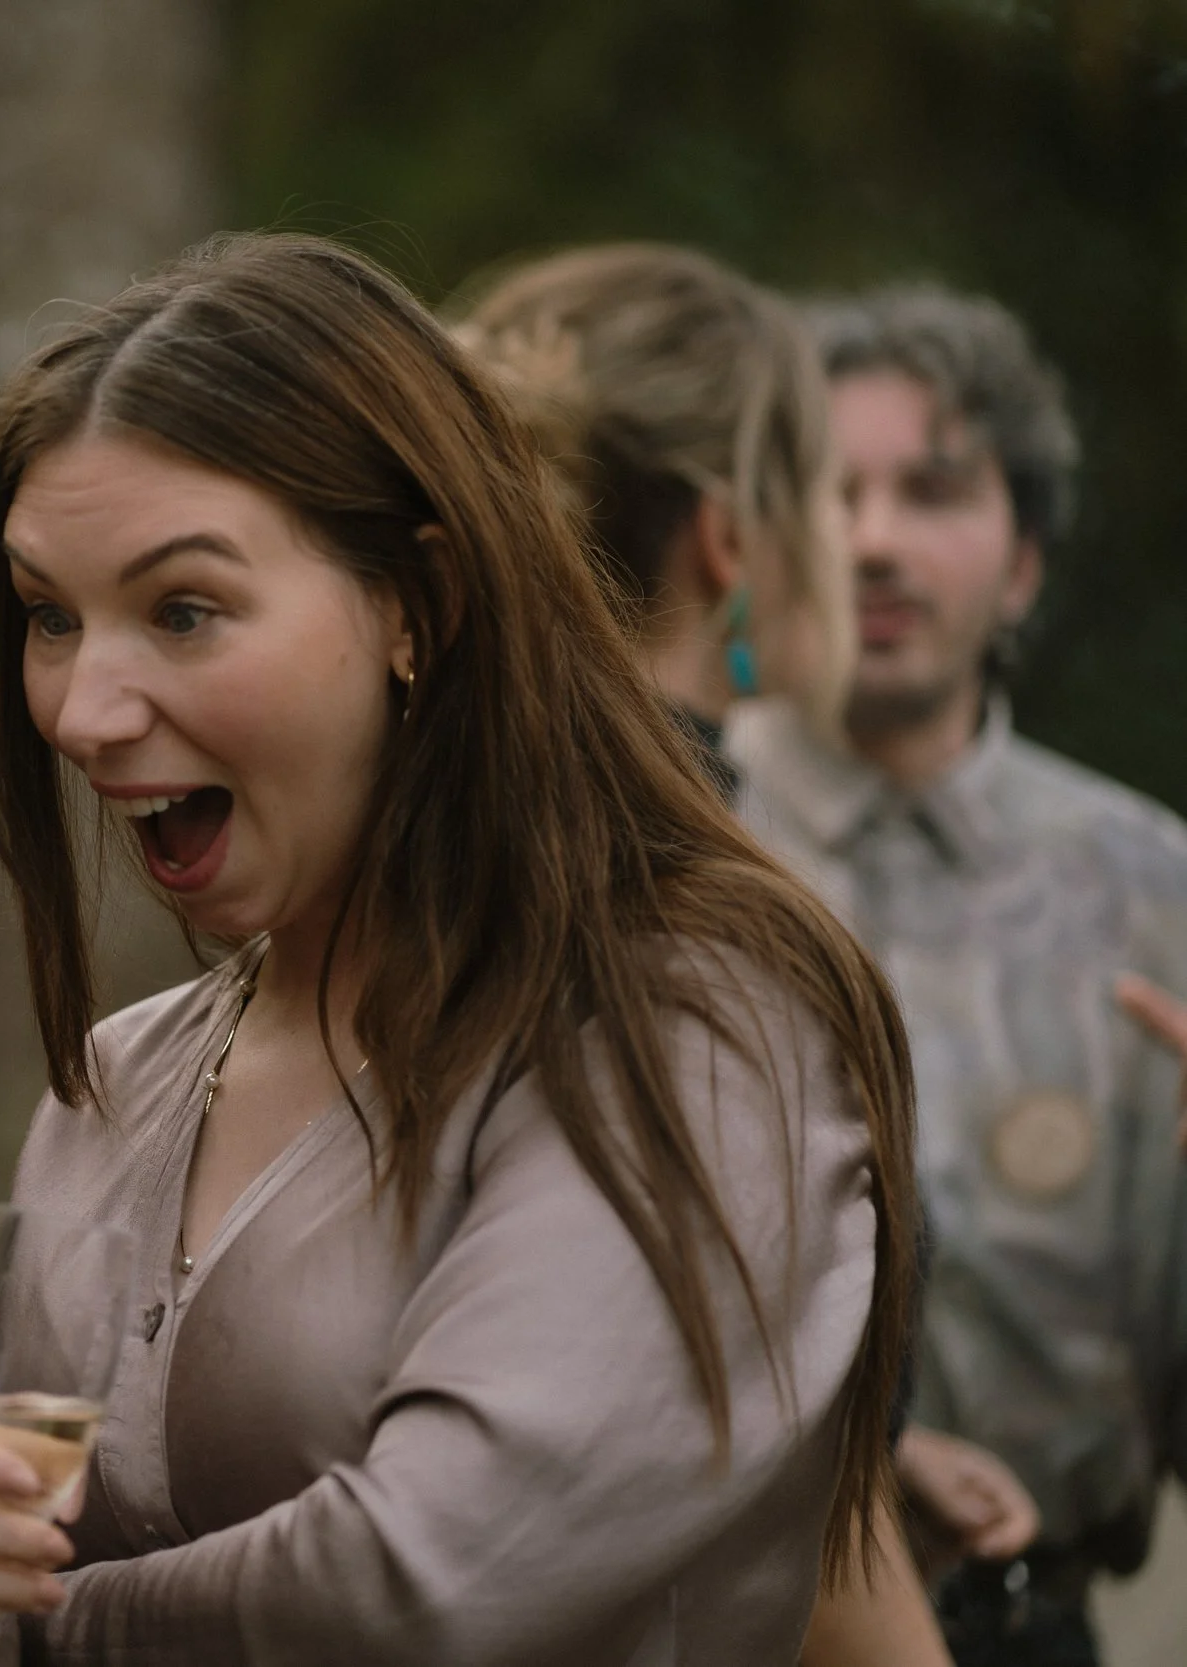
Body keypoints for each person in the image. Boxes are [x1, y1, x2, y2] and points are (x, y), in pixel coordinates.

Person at [0, 232, 920, 1664]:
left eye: (185, 609)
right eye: (47, 618)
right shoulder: (125, 1075)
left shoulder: (695, 1023)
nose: (84, 710)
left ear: (421, 604)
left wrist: (14, 1637)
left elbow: (428, 1589)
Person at [456, 241, 970, 1666]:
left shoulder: (427, 852)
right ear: (733, 542)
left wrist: (885, 1445)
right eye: (827, 495)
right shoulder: (704, 925)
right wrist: (849, 1467)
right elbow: (802, 1537)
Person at [727, 284, 1187, 1665]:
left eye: (932, 490)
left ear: (1026, 561)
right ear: (740, 538)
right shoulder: (648, 847)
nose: (872, 541)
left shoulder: (1155, 892)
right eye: (828, 489)